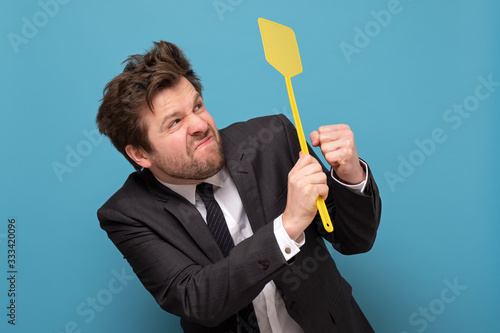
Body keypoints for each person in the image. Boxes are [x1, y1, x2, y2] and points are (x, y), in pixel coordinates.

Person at [96, 40, 381, 333]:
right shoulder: (128, 214)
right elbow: (197, 299)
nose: (199, 124)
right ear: (140, 154)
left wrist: (351, 176)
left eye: (197, 106)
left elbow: (354, 240)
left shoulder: (273, 139)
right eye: (175, 122)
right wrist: (287, 227)